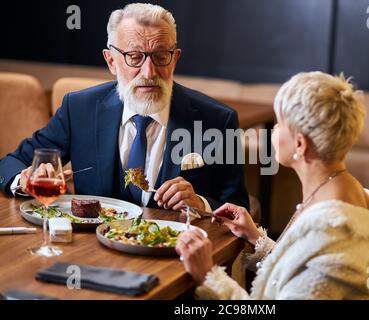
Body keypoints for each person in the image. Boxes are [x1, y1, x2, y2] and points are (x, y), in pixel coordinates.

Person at [0, 3, 248, 211]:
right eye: (135, 57)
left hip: (173, 258)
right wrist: (24, 179)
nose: (149, 72)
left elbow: (239, 208)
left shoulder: (217, 121)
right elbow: (11, 163)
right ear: (111, 61)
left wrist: (200, 204)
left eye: (161, 56)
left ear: (175, 59)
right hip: (92, 255)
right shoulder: (79, 109)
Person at [176, 71, 369, 299]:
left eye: (280, 123)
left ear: (300, 144)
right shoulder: (355, 197)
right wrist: (256, 239)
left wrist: (208, 276)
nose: (274, 130)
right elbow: (305, 274)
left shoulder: (329, 231)